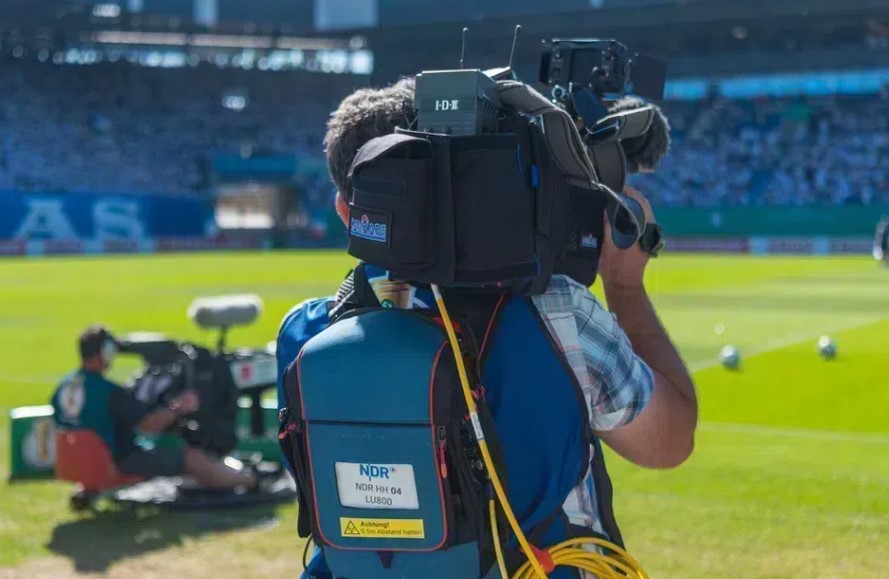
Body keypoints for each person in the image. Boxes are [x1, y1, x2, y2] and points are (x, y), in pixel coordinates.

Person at [278, 78, 698, 578]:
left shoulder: (302, 336)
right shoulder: (558, 312)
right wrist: (625, 287)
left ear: (348, 212)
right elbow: (668, 443)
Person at [52, 325, 257, 489]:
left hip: (77, 462)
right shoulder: (109, 392)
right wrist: (179, 407)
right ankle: (249, 481)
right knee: (191, 458)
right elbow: (149, 425)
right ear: (104, 353)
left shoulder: (64, 385)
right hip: (115, 461)